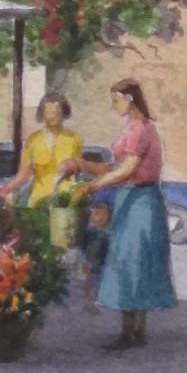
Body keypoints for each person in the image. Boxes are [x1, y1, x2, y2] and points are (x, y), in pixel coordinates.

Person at [62, 78, 177, 350]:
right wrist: (81, 164)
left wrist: (91, 187)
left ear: (129, 99)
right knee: (125, 261)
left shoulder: (142, 129)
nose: (113, 106)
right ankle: (130, 330)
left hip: (141, 200)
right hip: (128, 199)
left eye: (116, 100)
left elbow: (127, 170)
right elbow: (114, 166)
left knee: (134, 261)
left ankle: (135, 331)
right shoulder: (132, 128)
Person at [0, 93, 83, 208]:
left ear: (63, 113)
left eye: (55, 113)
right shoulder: (33, 140)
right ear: (42, 114)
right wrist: (5, 189)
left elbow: (79, 170)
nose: (51, 117)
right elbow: (24, 173)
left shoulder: (74, 139)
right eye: (47, 113)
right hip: (39, 201)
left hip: (65, 201)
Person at [81, 201, 111, 313]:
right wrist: (84, 260)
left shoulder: (108, 232)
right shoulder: (90, 231)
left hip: (103, 263)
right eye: (97, 213)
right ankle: (90, 303)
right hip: (91, 261)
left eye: (105, 214)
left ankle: (99, 301)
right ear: (92, 216)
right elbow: (84, 246)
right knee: (90, 282)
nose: (101, 217)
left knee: (99, 282)